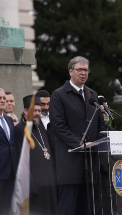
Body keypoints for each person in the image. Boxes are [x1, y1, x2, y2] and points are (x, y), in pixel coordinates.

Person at [49, 56, 107, 214]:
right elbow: (58, 126)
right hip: (70, 163)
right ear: (70, 71)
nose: (83, 73)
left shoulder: (93, 95)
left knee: (87, 209)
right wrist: (79, 144)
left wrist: (113, 137)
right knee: (67, 209)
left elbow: (101, 124)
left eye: (86, 70)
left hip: (91, 165)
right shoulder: (59, 95)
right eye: (80, 70)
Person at [15, 95, 57, 215]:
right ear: (25, 111)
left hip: (48, 182)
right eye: (34, 110)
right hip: (34, 186)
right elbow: (20, 159)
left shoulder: (41, 128)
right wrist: (30, 186)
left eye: (39, 111)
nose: (37, 113)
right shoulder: (19, 130)